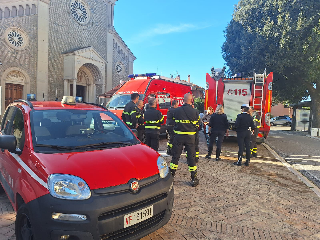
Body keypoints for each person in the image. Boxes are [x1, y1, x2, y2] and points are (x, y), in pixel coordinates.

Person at [170, 93, 200, 187]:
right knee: (191, 158)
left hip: (178, 136)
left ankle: (171, 177)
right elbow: (198, 125)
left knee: (175, 157)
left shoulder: (177, 110)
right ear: (191, 100)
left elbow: (174, 121)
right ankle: (194, 178)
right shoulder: (195, 112)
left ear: (183, 100)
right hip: (190, 137)